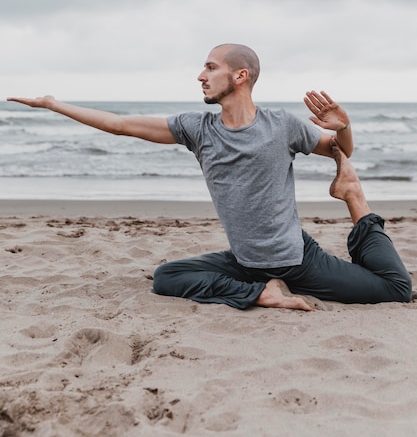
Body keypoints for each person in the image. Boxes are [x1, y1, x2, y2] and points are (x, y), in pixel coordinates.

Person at [7, 43, 411, 311]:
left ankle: (354, 197)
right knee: (167, 277)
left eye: (210, 67)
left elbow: (342, 151)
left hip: (298, 261)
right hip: (245, 263)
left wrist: (342, 128)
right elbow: (119, 124)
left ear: (240, 76)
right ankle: (263, 293)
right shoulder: (197, 129)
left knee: (396, 291)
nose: (201, 75)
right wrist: (53, 104)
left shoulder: (282, 126)